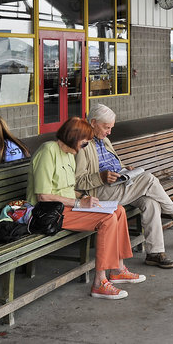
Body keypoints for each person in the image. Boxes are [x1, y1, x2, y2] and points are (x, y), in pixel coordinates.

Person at [75, 104, 173, 270]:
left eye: (111, 128)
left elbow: (112, 163)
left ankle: (155, 253)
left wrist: (124, 169)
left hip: (118, 184)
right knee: (149, 179)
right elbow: (78, 181)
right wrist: (99, 177)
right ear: (93, 122)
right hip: (99, 193)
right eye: (106, 127)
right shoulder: (83, 145)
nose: (109, 132)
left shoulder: (105, 140)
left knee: (150, 203)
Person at [27, 116, 144, 300]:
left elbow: (69, 190)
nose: (84, 147)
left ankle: (118, 269)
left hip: (67, 207)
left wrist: (84, 197)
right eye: (84, 143)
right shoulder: (48, 151)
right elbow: (43, 195)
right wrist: (79, 203)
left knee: (118, 210)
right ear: (73, 137)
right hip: (48, 211)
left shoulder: (69, 155)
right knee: (107, 219)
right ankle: (99, 282)